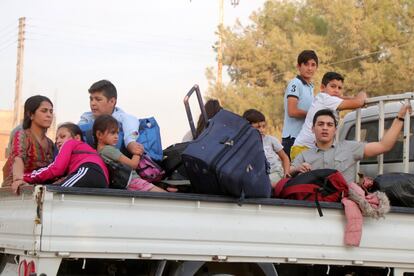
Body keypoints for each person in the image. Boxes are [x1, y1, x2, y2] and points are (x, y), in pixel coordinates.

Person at [290, 106, 412, 184]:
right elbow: (288, 173)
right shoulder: (303, 155)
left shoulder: (350, 147)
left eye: (329, 125)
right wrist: (297, 169)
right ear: (312, 129)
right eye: (321, 124)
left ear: (335, 130)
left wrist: (399, 118)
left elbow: (384, 146)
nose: (325, 128)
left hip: (343, 205)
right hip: (313, 207)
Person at [290, 72, 367, 160]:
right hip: (304, 149)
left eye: (340, 88)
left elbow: (344, 98)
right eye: (333, 86)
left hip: (311, 149)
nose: (337, 90)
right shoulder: (325, 98)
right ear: (322, 88)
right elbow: (358, 102)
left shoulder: (325, 99)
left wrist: (354, 99)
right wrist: (362, 94)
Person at [93, 114, 166, 192]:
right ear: (99, 134)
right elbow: (133, 165)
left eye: (117, 133)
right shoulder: (109, 150)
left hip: (128, 184)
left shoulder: (99, 152)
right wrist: (138, 152)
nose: (116, 136)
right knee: (166, 196)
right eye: (112, 133)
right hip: (133, 181)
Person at [23, 123, 109, 188]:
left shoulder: (71, 143)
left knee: (54, 193)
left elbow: (56, 169)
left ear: (77, 138)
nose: (58, 141)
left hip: (88, 170)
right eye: (56, 139)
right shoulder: (84, 151)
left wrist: (25, 177)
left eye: (62, 136)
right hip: (103, 181)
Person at [2, 95, 55, 193]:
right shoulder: (22, 135)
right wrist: (18, 180)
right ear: (31, 115)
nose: (49, 115)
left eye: (51, 111)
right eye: (44, 111)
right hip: (17, 191)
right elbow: (18, 158)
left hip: (39, 192)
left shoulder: (51, 144)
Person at [79, 79, 144, 157]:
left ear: (112, 101)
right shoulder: (87, 117)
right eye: (91, 99)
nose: (93, 103)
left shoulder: (122, 118)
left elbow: (132, 129)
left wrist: (130, 143)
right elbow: (74, 132)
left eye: (98, 99)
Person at [281, 50, 318, 158]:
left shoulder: (311, 87)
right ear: (298, 66)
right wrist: (313, 114)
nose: (310, 68)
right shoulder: (295, 83)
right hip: (293, 139)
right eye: (306, 64)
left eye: (313, 65)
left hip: (304, 139)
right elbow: (292, 111)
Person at [242, 109, 290, 186]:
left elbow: (284, 157)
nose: (261, 130)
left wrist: (286, 173)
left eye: (263, 126)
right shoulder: (244, 144)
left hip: (275, 172)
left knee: (263, 185)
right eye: (258, 127)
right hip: (258, 175)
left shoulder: (270, 140)